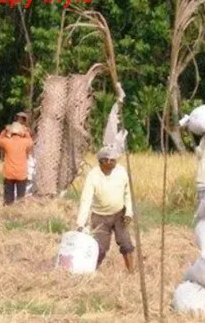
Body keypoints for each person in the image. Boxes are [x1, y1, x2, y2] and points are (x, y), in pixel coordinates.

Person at [76, 86, 135, 273]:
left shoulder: (122, 172)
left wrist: (129, 213)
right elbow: (86, 199)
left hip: (119, 214)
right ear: (100, 161)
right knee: (100, 247)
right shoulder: (94, 175)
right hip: (100, 216)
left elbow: (128, 194)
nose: (110, 163)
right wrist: (80, 223)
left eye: (112, 160)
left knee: (126, 244)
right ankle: (91, 270)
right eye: (106, 160)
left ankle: (131, 272)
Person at [0, 122, 34, 205]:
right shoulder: (25, 142)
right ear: (21, 132)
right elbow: (31, 141)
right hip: (21, 174)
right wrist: (26, 131)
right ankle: (19, 210)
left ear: (11, 132)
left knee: (8, 197)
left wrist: (5, 131)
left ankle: (8, 209)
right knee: (21, 197)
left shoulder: (6, 142)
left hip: (9, 173)